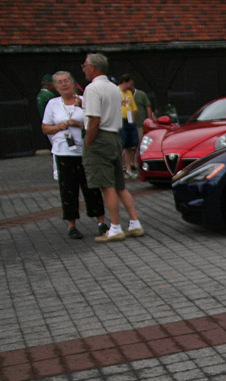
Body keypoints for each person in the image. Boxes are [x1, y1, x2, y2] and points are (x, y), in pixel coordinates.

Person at [80, 53, 146, 244]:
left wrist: (88, 142)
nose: (83, 69)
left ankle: (115, 227)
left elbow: (94, 119)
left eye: (84, 66)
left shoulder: (92, 88)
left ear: (93, 67)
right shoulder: (114, 88)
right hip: (114, 136)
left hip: (100, 137)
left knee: (106, 186)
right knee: (119, 184)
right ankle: (134, 223)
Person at [41, 71, 107, 240]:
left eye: (66, 81)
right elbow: (45, 127)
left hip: (84, 150)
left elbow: (95, 122)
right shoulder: (53, 104)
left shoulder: (83, 101)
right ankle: (72, 225)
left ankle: (101, 221)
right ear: (56, 87)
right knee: (68, 189)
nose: (64, 85)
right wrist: (58, 127)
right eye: (60, 82)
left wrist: (78, 123)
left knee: (91, 187)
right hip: (63, 151)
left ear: (72, 83)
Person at [119, 74, 154, 178]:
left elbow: (133, 108)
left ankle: (129, 168)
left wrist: (133, 122)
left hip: (130, 122)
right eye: (129, 83)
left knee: (131, 145)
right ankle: (120, 166)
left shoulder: (129, 93)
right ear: (125, 82)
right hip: (121, 120)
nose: (131, 86)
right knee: (121, 144)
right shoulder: (116, 92)